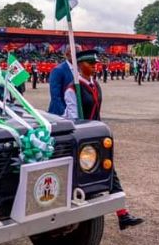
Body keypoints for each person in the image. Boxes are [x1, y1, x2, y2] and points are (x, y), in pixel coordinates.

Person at [62, 49, 145, 230]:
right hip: (81, 139)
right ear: (80, 66)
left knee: (110, 171)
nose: (94, 67)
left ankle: (122, 215)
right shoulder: (72, 89)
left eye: (95, 64)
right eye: (90, 64)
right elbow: (72, 117)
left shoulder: (95, 85)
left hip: (95, 136)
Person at [47, 44, 78, 116]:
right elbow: (55, 96)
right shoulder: (58, 70)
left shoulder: (78, 69)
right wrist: (64, 113)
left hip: (74, 111)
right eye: (77, 53)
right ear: (68, 54)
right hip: (60, 113)